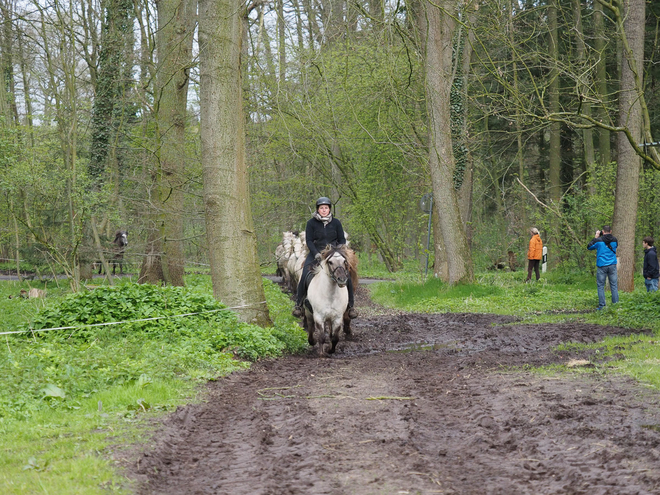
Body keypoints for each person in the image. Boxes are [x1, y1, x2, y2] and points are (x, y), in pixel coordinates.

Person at [292, 197, 358, 319]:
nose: (324, 210)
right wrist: (316, 253)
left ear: (329, 209)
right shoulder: (311, 223)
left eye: (326, 208)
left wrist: (338, 249)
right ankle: (299, 305)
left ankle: (350, 307)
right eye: (321, 208)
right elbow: (309, 241)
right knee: (305, 274)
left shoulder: (336, 223)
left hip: (334, 253)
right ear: (318, 209)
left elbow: (342, 239)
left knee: (346, 275)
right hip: (315, 253)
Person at [587, 225, 619, 310]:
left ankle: (602, 306)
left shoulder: (599, 240)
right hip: (612, 265)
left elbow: (589, 247)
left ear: (603, 232)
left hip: (602, 266)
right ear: (611, 231)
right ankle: (615, 305)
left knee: (601, 286)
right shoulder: (615, 240)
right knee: (614, 285)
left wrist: (596, 237)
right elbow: (616, 247)